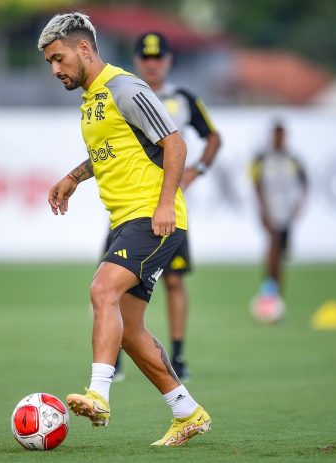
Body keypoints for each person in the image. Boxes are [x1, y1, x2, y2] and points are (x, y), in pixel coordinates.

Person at [38, 13, 211, 446]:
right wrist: (73, 178)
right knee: (131, 330)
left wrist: (166, 203)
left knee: (102, 290)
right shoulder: (93, 97)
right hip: (124, 221)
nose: (55, 69)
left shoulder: (124, 86)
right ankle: (187, 412)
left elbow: (175, 142)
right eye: (49, 63)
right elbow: (111, 151)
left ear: (83, 49)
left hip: (152, 217)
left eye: (58, 59)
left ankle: (98, 393)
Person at [110, 32, 221, 382]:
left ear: (169, 60)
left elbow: (212, 137)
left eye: (158, 58)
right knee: (110, 282)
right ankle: (113, 360)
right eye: (146, 57)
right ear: (137, 60)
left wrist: (196, 170)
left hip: (166, 206)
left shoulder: (183, 99)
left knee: (174, 281)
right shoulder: (126, 96)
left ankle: (178, 353)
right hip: (130, 206)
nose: (152, 63)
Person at [250, 122, 308, 297]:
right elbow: (256, 185)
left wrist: (299, 205)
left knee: (281, 252)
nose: (279, 139)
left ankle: (275, 290)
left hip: (286, 210)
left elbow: (305, 183)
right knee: (273, 245)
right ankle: (270, 288)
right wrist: (262, 209)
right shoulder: (262, 159)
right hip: (269, 208)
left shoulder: (293, 159)